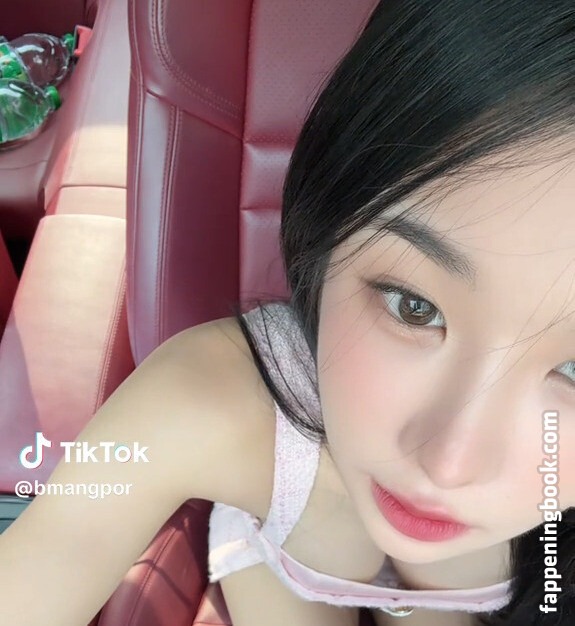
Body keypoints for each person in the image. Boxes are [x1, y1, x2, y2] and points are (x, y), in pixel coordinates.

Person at [1, 0, 573, 624]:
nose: (448, 464)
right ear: (326, 226)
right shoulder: (206, 402)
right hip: (283, 564)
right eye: (414, 307)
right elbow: (56, 551)